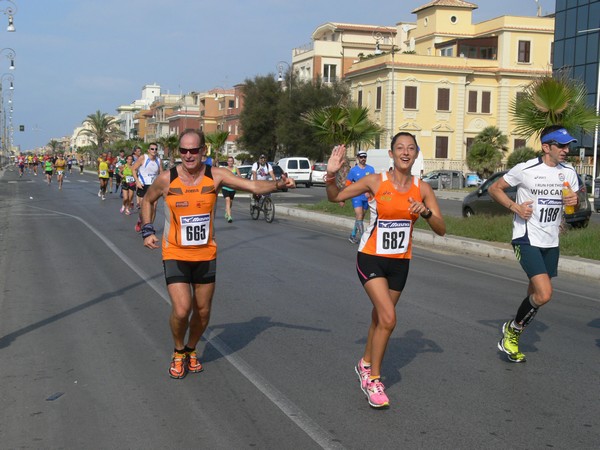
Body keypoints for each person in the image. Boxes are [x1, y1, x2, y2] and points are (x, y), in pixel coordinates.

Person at [140, 129, 295, 379]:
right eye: (183, 151)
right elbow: (147, 201)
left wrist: (278, 184)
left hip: (206, 254)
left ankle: (191, 349)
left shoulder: (216, 175)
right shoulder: (166, 179)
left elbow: (252, 185)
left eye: (193, 150)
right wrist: (147, 229)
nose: (188, 155)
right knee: (182, 309)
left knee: (202, 311)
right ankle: (178, 351)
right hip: (175, 252)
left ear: (203, 151)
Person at [325, 132, 446, 408]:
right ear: (391, 154)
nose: (406, 153)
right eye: (400, 148)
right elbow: (336, 197)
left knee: (379, 319)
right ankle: (374, 380)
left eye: (411, 148)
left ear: (416, 154)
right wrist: (331, 176)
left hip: (400, 262)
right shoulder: (375, 181)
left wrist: (426, 213)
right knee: (389, 319)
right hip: (371, 258)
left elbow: (441, 229)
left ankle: (364, 363)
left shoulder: (422, 188)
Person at [489, 125, 580, 364]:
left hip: (551, 240)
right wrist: (515, 207)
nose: (566, 150)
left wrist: (575, 202)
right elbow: (494, 188)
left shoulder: (568, 172)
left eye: (567, 145)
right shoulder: (526, 169)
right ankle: (513, 329)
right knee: (544, 293)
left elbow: (573, 206)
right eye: (560, 145)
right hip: (526, 237)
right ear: (546, 147)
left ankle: (513, 335)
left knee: (534, 293)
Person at [345, 150, 375, 244]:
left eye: (364, 157)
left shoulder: (370, 169)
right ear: (358, 158)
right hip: (356, 196)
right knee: (359, 215)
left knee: (360, 217)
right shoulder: (353, 170)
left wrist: (370, 192)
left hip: (367, 197)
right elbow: (348, 184)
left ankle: (353, 235)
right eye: (361, 157)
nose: (363, 159)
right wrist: (343, 198)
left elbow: (374, 183)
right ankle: (363, 238)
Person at [132, 143, 162, 231]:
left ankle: (149, 227)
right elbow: (133, 169)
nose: (154, 151)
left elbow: (162, 174)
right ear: (148, 150)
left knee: (154, 206)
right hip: (143, 185)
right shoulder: (143, 158)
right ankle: (140, 220)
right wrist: (137, 181)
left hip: (153, 186)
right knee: (143, 207)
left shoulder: (159, 160)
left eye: (156, 149)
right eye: (152, 149)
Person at [221, 156, 238, 223]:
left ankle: (227, 211)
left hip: (233, 189)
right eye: (229, 161)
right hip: (225, 188)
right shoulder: (224, 169)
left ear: (233, 162)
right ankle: (229, 217)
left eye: (231, 161)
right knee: (227, 200)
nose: (230, 162)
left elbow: (240, 177)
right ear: (227, 162)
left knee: (230, 202)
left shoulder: (235, 169)